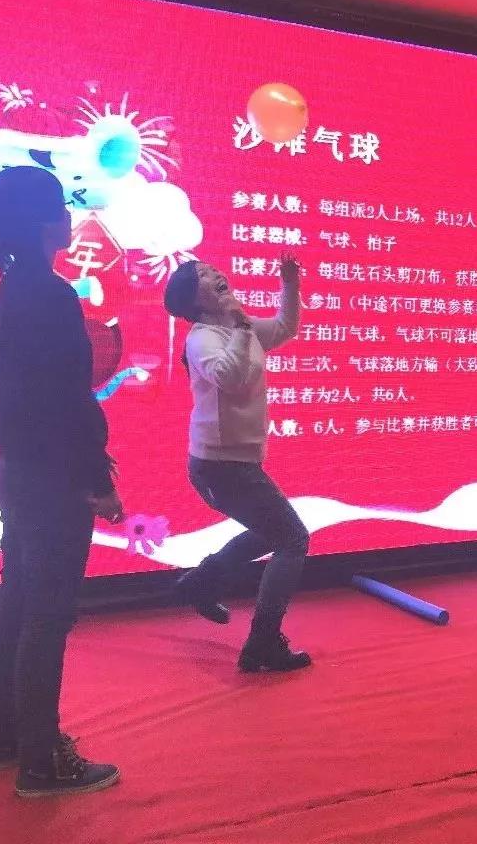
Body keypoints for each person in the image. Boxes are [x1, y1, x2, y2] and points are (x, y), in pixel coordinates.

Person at [0, 166, 123, 797]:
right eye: (62, 207)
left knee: (17, 600)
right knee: (46, 613)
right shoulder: (51, 294)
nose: (70, 217)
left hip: (18, 470)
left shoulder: (13, 290)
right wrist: (98, 480)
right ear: (43, 223)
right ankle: (42, 761)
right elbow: (69, 401)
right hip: (52, 477)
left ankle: (5, 739)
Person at [164, 255, 311, 672]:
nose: (216, 274)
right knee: (292, 539)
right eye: (204, 275)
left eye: (213, 270)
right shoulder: (202, 338)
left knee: (272, 532)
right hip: (220, 465)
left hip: (235, 462)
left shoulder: (235, 328)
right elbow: (229, 378)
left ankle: (202, 581)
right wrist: (243, 328)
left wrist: (289, 283)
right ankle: (263, 642)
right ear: (194, 299)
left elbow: (284, 328)